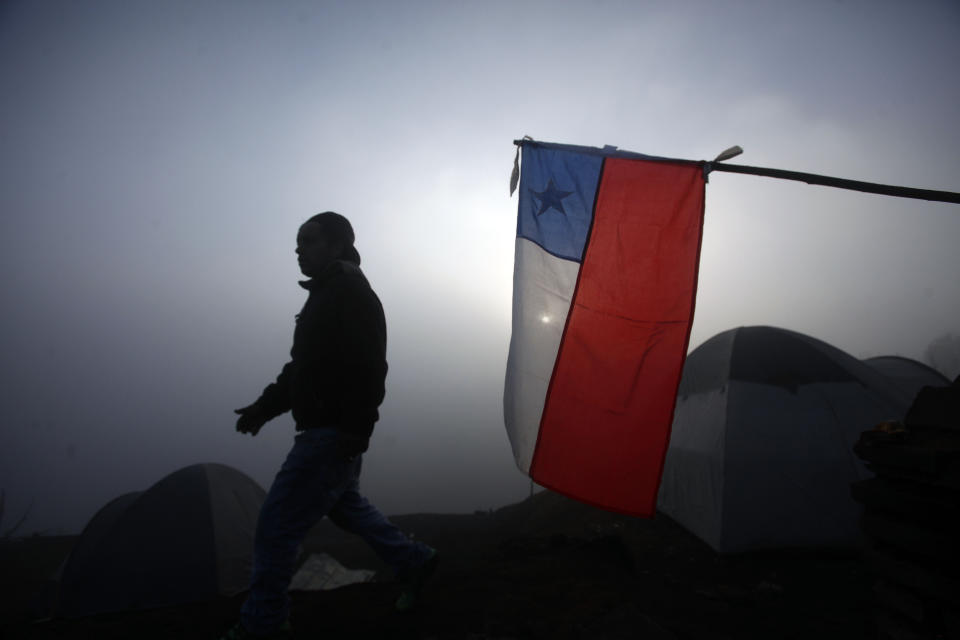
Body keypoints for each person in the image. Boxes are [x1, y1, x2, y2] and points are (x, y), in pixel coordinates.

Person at [222, 212, 438, 640]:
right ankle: (414, 560)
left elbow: (370, 364)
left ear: (336, 246)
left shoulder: (349, 292)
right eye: (298, 242)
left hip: (330, 433)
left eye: (308, 241)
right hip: (332, 430)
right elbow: (302, 370)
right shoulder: (324, 296)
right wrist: (263, 409)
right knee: (346, 508)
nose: (298, 249)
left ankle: (262, 622)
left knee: (275, 527)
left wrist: (358, 428)